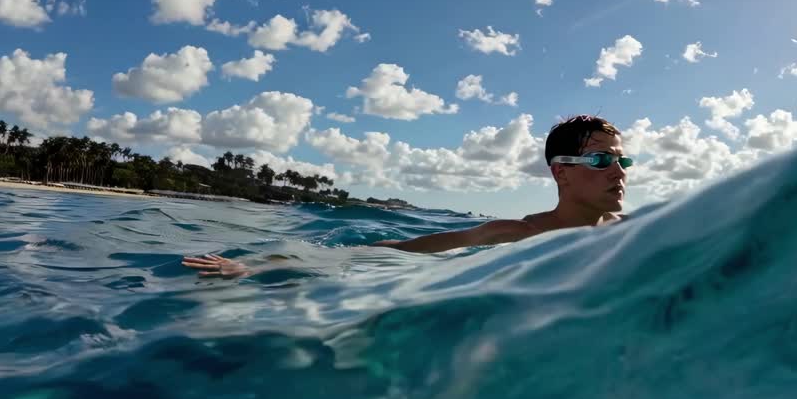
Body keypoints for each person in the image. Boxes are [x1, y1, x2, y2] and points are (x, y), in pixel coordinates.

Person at [182, 115, 632, 276]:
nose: (617, 171)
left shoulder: (628, 232)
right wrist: (259, 264)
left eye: (621, 161)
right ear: (561, 173)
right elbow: (398, 249)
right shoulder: (518, 233)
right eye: (599, 160)